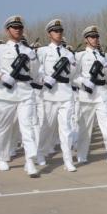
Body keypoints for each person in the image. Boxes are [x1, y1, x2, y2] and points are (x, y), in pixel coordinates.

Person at [0, 16, 41, 177]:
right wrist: (0, 76)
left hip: (25, 92)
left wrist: (34, 59)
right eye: (14, 27)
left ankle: (30, 161)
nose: (17, 29)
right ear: (7, 30)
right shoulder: (0, 49)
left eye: (20, 27)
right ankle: (1, 157)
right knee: (4, 128)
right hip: (6, 93)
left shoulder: (28, 51)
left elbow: (35, 74)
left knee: (27, 127)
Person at [74, 26, 107, 169]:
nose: (95, 39)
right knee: (85, 127)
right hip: (87, 94)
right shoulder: (79, 56)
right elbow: (73, 76)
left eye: (97, 37)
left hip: (102, 92)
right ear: (86, 39)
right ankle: (81, 154)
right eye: (92, 37)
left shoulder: (104, 56)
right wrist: (83, 82)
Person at [36, 19, 78, 172]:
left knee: (66, 129)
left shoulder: (68, 53)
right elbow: (36, 70)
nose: (58, 33)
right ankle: (40, 153)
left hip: (66, 93)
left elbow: (73, 74)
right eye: (55, 31)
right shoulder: (43, 51)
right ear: (49, 34)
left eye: (60, 31)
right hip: (49, 95)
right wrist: (43, 77)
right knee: (46, 127)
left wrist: (73, 67)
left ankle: (68, 161)